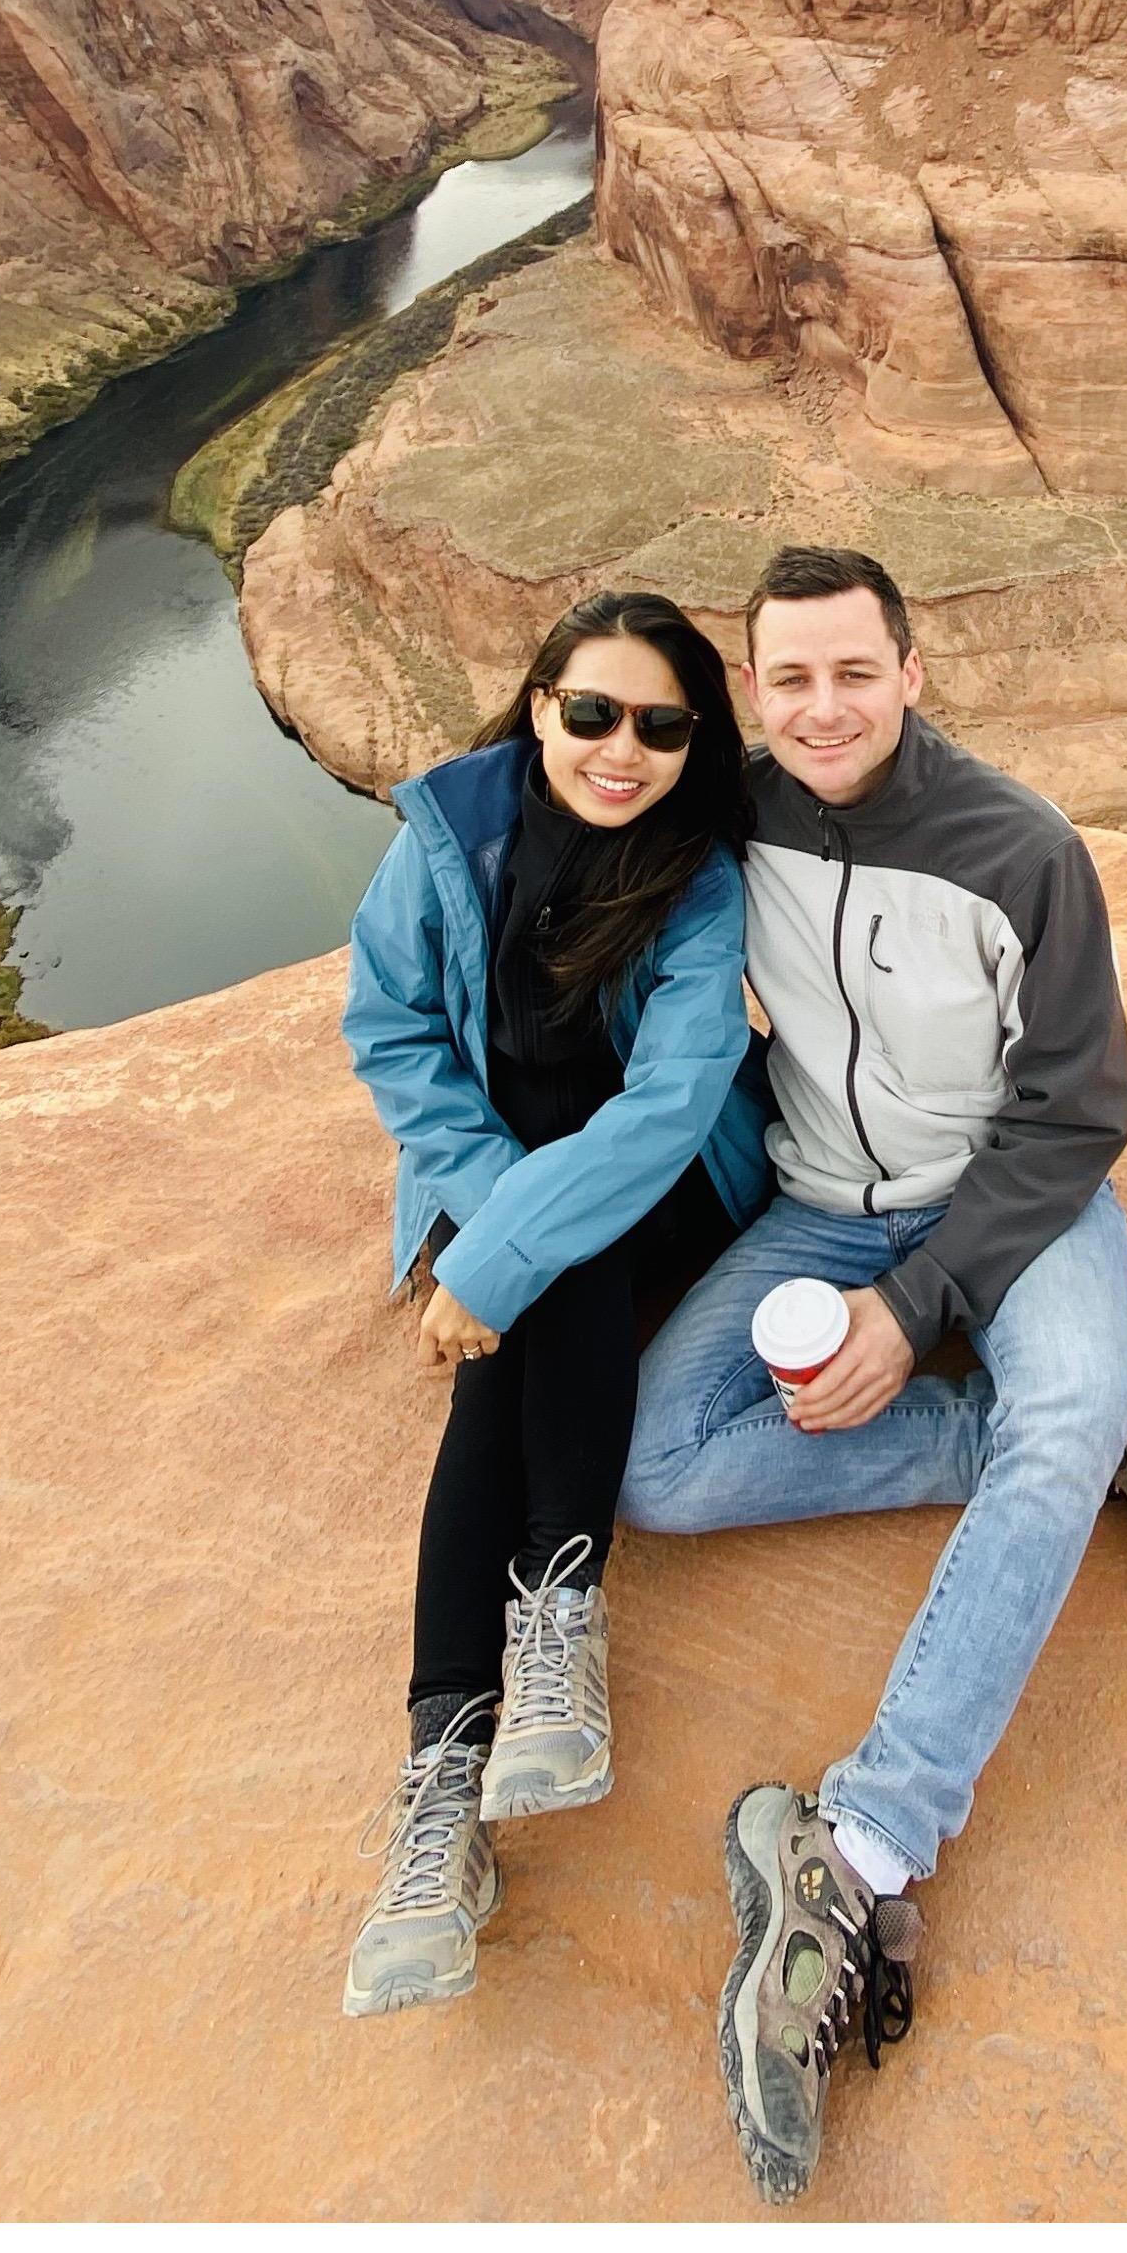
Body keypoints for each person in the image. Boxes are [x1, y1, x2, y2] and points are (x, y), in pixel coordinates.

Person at [620, 541, 1127, 2199]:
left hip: (1016, 1203)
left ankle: (861, 1847)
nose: (823, 707)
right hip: (822, 1204)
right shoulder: (727, 818)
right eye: (789, 679)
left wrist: (917, 1305)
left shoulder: (1021, 852)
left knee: (1056, 1405)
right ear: (753, 693)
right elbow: (541, 831)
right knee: (657, 1466)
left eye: (853, 671)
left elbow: (1080, 1111)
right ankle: (1053, 1446)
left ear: (911, 670)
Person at [333, 588, 766, 2017]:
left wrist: (502, 1252)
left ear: (694, 743)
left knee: (569, 1251)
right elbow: (394, 1030)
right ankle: (499, 1702)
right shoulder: (447, 840)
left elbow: (670, 1105)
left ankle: (471, 1747)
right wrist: (501, 1218)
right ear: (538, 708)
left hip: (665, 1178)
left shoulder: (696, 874)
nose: (621, 750)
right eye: (591, 713)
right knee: (545, 1277)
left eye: (661, 728)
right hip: (497, 1167)